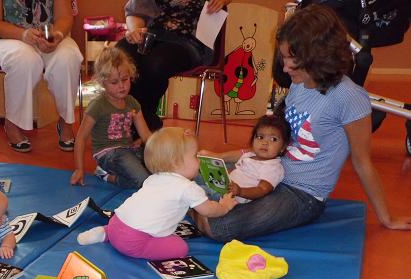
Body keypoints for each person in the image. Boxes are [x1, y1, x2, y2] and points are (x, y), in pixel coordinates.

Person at [196, 4, 411, 241]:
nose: (285, 67)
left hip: (301, 194)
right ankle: (196, 204)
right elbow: (275, 142)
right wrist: (219, 157)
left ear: (317, 57)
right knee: (188, 175)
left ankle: (195, 207)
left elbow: (363, 163)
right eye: (284, 58)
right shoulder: (299, 84)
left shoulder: (349, 97)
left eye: (292, 60)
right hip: (269, 171)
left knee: (220, 227)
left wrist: (387, 218)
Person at [77, 127, 237, 260]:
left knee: (133, 225)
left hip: (115, 224)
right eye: (195, 156)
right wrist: (225, 206)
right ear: (176, 162)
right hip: (133, 242)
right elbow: (209, 210)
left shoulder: (154, 178)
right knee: (180, 248)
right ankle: (113, 238)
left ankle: (104, 233)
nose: (200, 160)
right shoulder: (188, 188)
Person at [116, 0, 232, 131]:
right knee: (120, 55)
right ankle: (129, 120)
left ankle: (142, 124)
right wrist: (135, 30)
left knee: (156, 63)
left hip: (187, 42)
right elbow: (135, 11)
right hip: (152, 34)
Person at [0, 0, 83, 153]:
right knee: (24, 60)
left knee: (68, 58)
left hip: (49, 36)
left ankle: (66, 122)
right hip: (8, 39)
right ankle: (12, 124)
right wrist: (22, 34)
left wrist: (57, 35)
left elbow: (64, 17)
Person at [70, 47, 152, 188]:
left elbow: (146, 135)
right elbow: (81, 138)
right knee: (145, 181)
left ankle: (120, 173)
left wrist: (163, 149)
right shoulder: (98, 105)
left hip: (129, 150)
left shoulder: (132, 102)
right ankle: (107, 176)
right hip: (108, 154)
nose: (121, 86)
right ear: (102, 82)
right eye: (114, 82)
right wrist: (79, 169)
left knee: (157, 172)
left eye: (125, 79)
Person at [205, 114, 289, 203]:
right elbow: (238, 171)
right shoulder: (249, 155)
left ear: (283, 147)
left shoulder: (272, 167)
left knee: (200, 193)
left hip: (230, 198)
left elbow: (263, 189)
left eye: (273, 139)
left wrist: (240, 191)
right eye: (260, 137)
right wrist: (223, 174)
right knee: (199, 177)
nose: (265, 142)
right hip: (222, 187)